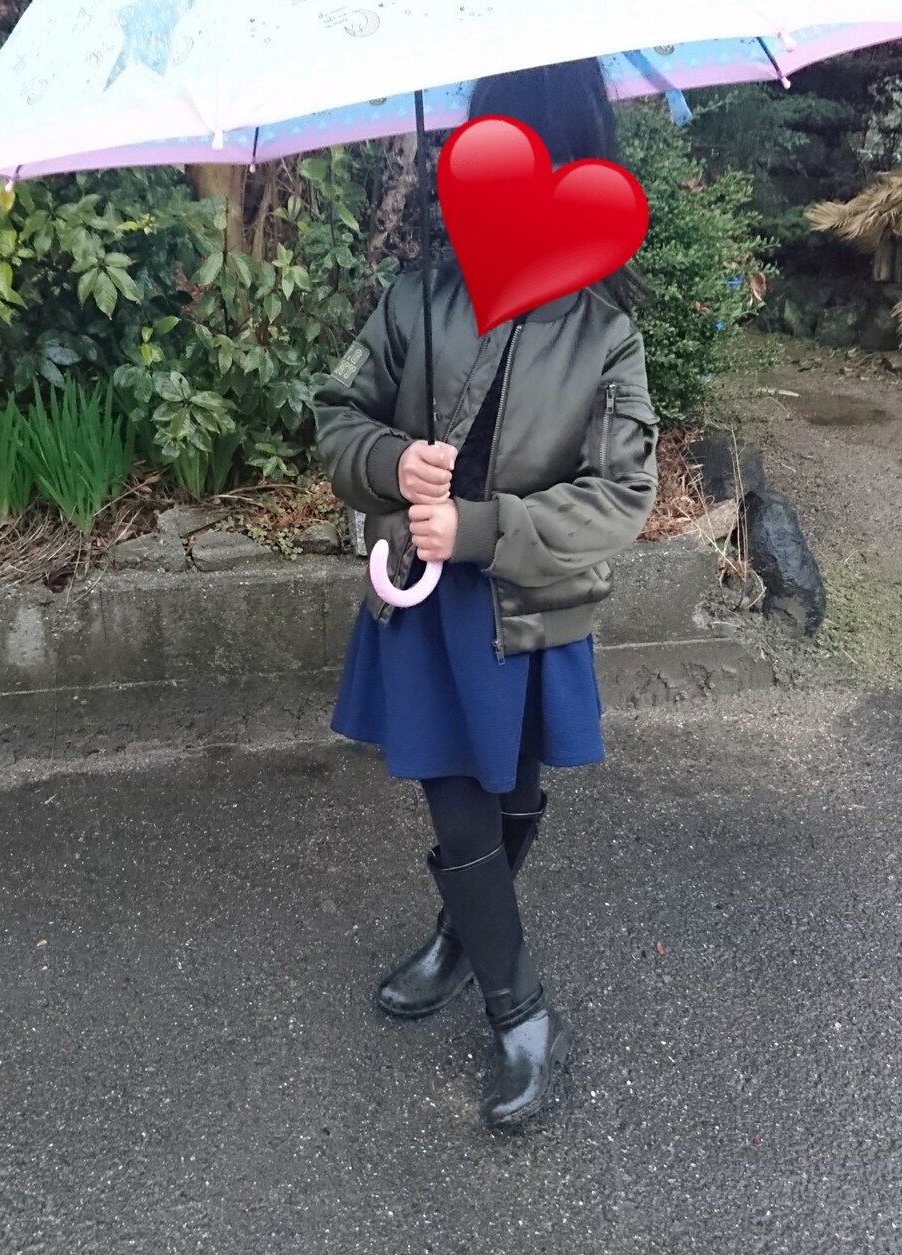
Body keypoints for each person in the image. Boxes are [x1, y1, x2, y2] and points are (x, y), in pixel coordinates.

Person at [312, 58, 659, 1130]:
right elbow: (336, 417)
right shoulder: (416, 299)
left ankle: (460, 935)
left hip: (530, 600)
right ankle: (521, 1009)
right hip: (426, 606)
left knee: (512, 790)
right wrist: (389, 460)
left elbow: (621, 496)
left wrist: (484, 527)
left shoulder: (604, 334)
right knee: (457, 789)